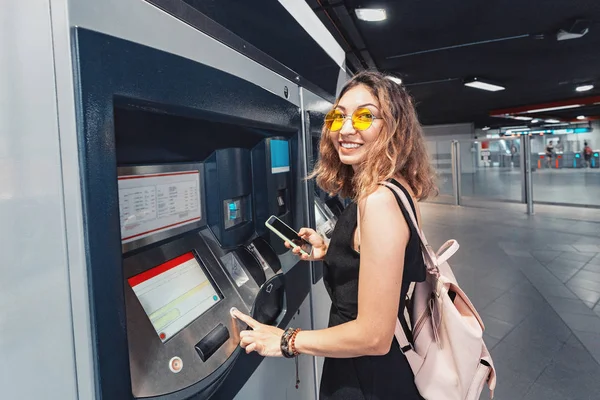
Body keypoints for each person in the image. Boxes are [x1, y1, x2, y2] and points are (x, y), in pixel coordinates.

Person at [231, 71, 436, 399]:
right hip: (373, 367)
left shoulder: (379, 200)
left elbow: (373, 336)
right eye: (339, 116)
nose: (347, 128)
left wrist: (285, 340)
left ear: (393, 126)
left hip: (367, 376)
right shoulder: (395, 187)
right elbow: (382, 259)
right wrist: (331, 250)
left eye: (365, 116)